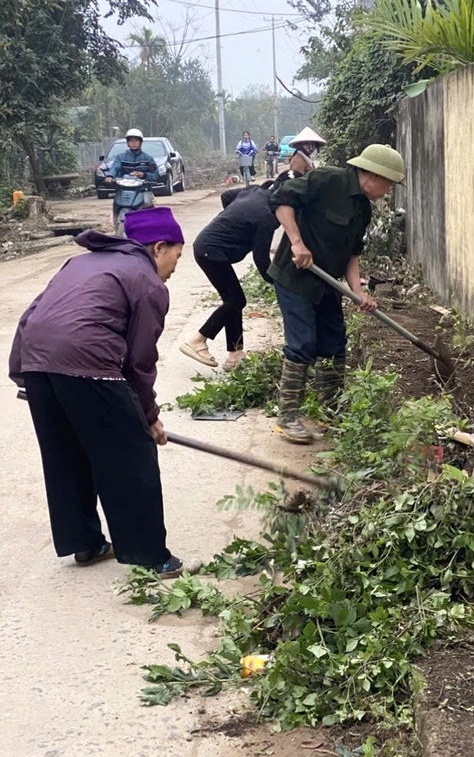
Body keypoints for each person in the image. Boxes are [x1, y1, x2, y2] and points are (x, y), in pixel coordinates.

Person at [8, 208, 187, 578]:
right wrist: (148, 418)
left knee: (66, 453)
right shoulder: (148, 282)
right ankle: (151, 555)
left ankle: (86, 543)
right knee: (130, 456)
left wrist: (23, 376)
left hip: (37, 363)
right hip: (88, 364)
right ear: (159, 247)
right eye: (177, 256)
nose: (175, 267)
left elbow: (32, 316)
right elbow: (139, 362)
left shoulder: (79, 263)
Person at [268, 143, 405, 444]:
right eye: (389, 184)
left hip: (328, 282)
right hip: (295, 279)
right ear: (372, 175)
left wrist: (358, 293)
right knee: (303, 342)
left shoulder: (363, 209)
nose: (389, 191)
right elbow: (280, 200)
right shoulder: (327, 181)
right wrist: (296, 242)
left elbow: (351, 255)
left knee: (333, 344)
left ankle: (328, 413)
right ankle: (287, 416)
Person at [180, 180, 284, 372]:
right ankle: (197, 340)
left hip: (207, 246)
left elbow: (226, 196)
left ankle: (235, 354)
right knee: (235, 301)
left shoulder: (255, 191)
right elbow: (261, 260)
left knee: (234, 300)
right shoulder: (266, 217)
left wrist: (235, 222)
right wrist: (280, 283)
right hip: (212, 252)